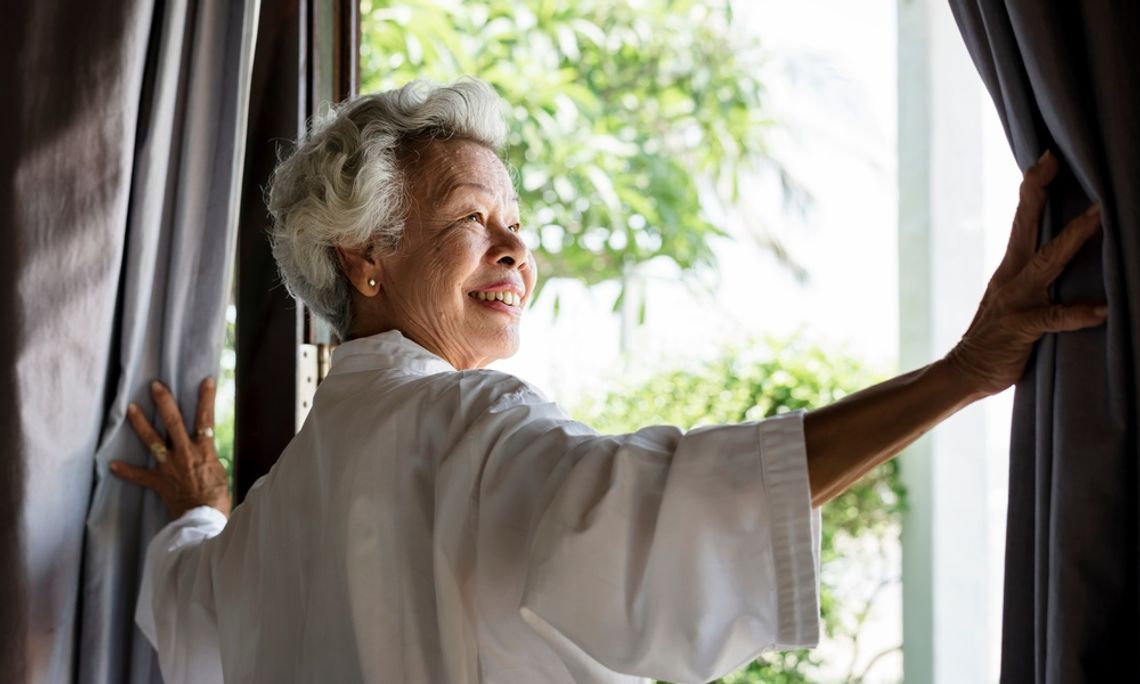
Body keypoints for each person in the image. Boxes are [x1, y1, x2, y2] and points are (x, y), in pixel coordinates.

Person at [111, 78, 1104, 684]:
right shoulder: (463, 422)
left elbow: (184, 600)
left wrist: (202, 507)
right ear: (366, 257)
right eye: (474, 218)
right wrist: (964, 372)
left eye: (516, 221)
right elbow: (669, 509)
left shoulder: (275, 516)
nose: (518, 247)